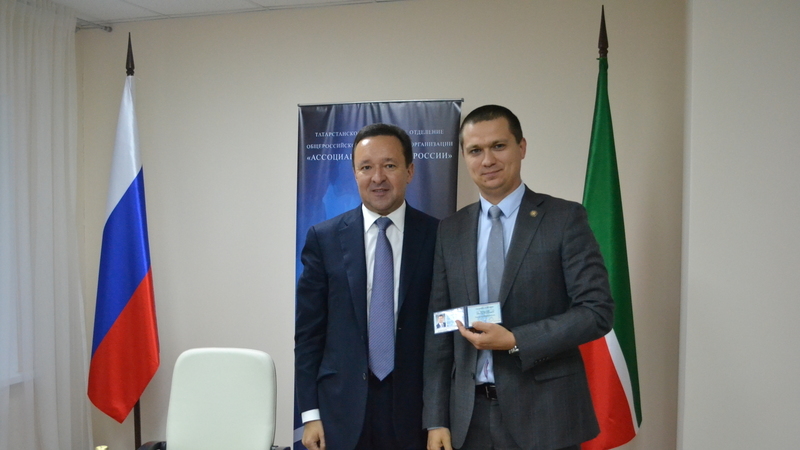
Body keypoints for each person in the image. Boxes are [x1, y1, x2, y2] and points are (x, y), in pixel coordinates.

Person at [423, 105, 614, 450]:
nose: (488, 160)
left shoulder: (564, 218)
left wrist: (515, 340)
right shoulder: (450, 230)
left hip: (547, 416)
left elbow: (596, 311)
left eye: (499, 146)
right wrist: (436, 419)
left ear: (521, 147)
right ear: (465, 157)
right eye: (475, 150)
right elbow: (440, 328)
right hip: (469, 419)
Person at [295, 123, 439, 450]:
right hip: (339, 412)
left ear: (409, 171)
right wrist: (310, 413)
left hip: (414, 412)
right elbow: (308, 335)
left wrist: (438, 417)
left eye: (389, 165)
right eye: (366, 168)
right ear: (354, 174)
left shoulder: (438, 236)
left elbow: (443, 339)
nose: (378, 178)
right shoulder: (324, 239)